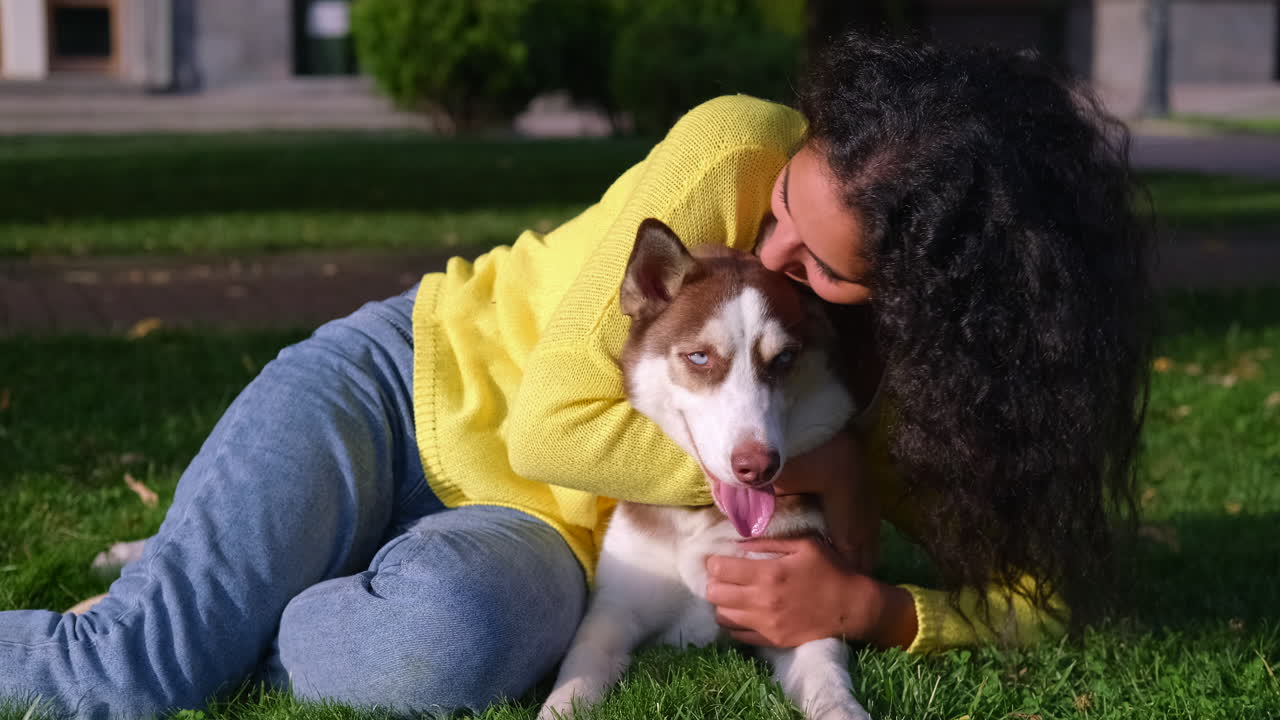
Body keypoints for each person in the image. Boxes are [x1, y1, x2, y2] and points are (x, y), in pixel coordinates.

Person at [0, 32, 1150, 719]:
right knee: (134, 669)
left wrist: (877, 610)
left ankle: (248, 584)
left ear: (919, 300)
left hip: (542, 532)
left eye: (820, 269)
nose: (767, 255)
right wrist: (808, 465)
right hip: (402, 387)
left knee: (438, 650)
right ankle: (208, 595)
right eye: (783, 208)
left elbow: (1038, 603)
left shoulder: (916, 398)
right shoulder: (732, 143)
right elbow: (550, 427)